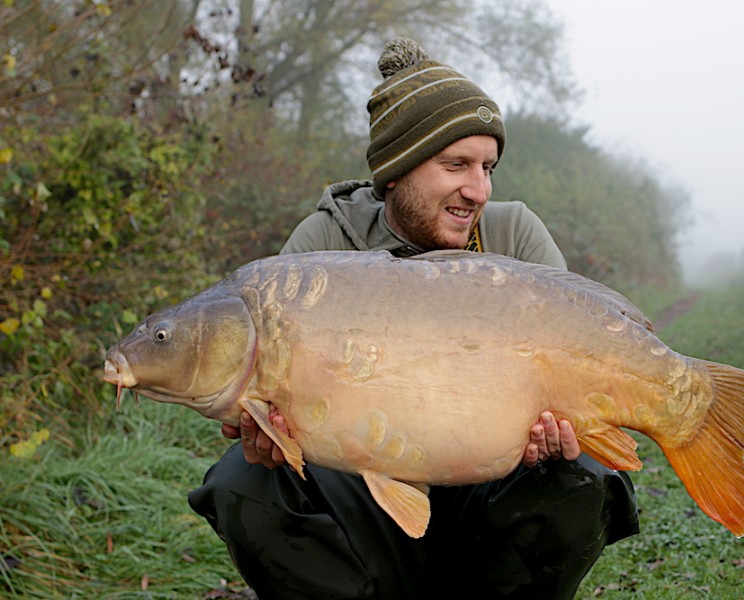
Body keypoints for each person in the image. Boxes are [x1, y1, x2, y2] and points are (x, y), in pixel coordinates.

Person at [189, 38, 639, 600]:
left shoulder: (514, 234)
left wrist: (558, 434)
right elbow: (271, 399)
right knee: (243, 481)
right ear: (397, 171)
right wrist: (271, 439)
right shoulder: (322, 244)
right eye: (456, 165)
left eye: (487, 167)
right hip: (360, 489)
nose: (478, 189)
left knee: (585, 478)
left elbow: (573, 362)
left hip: (490, 485)